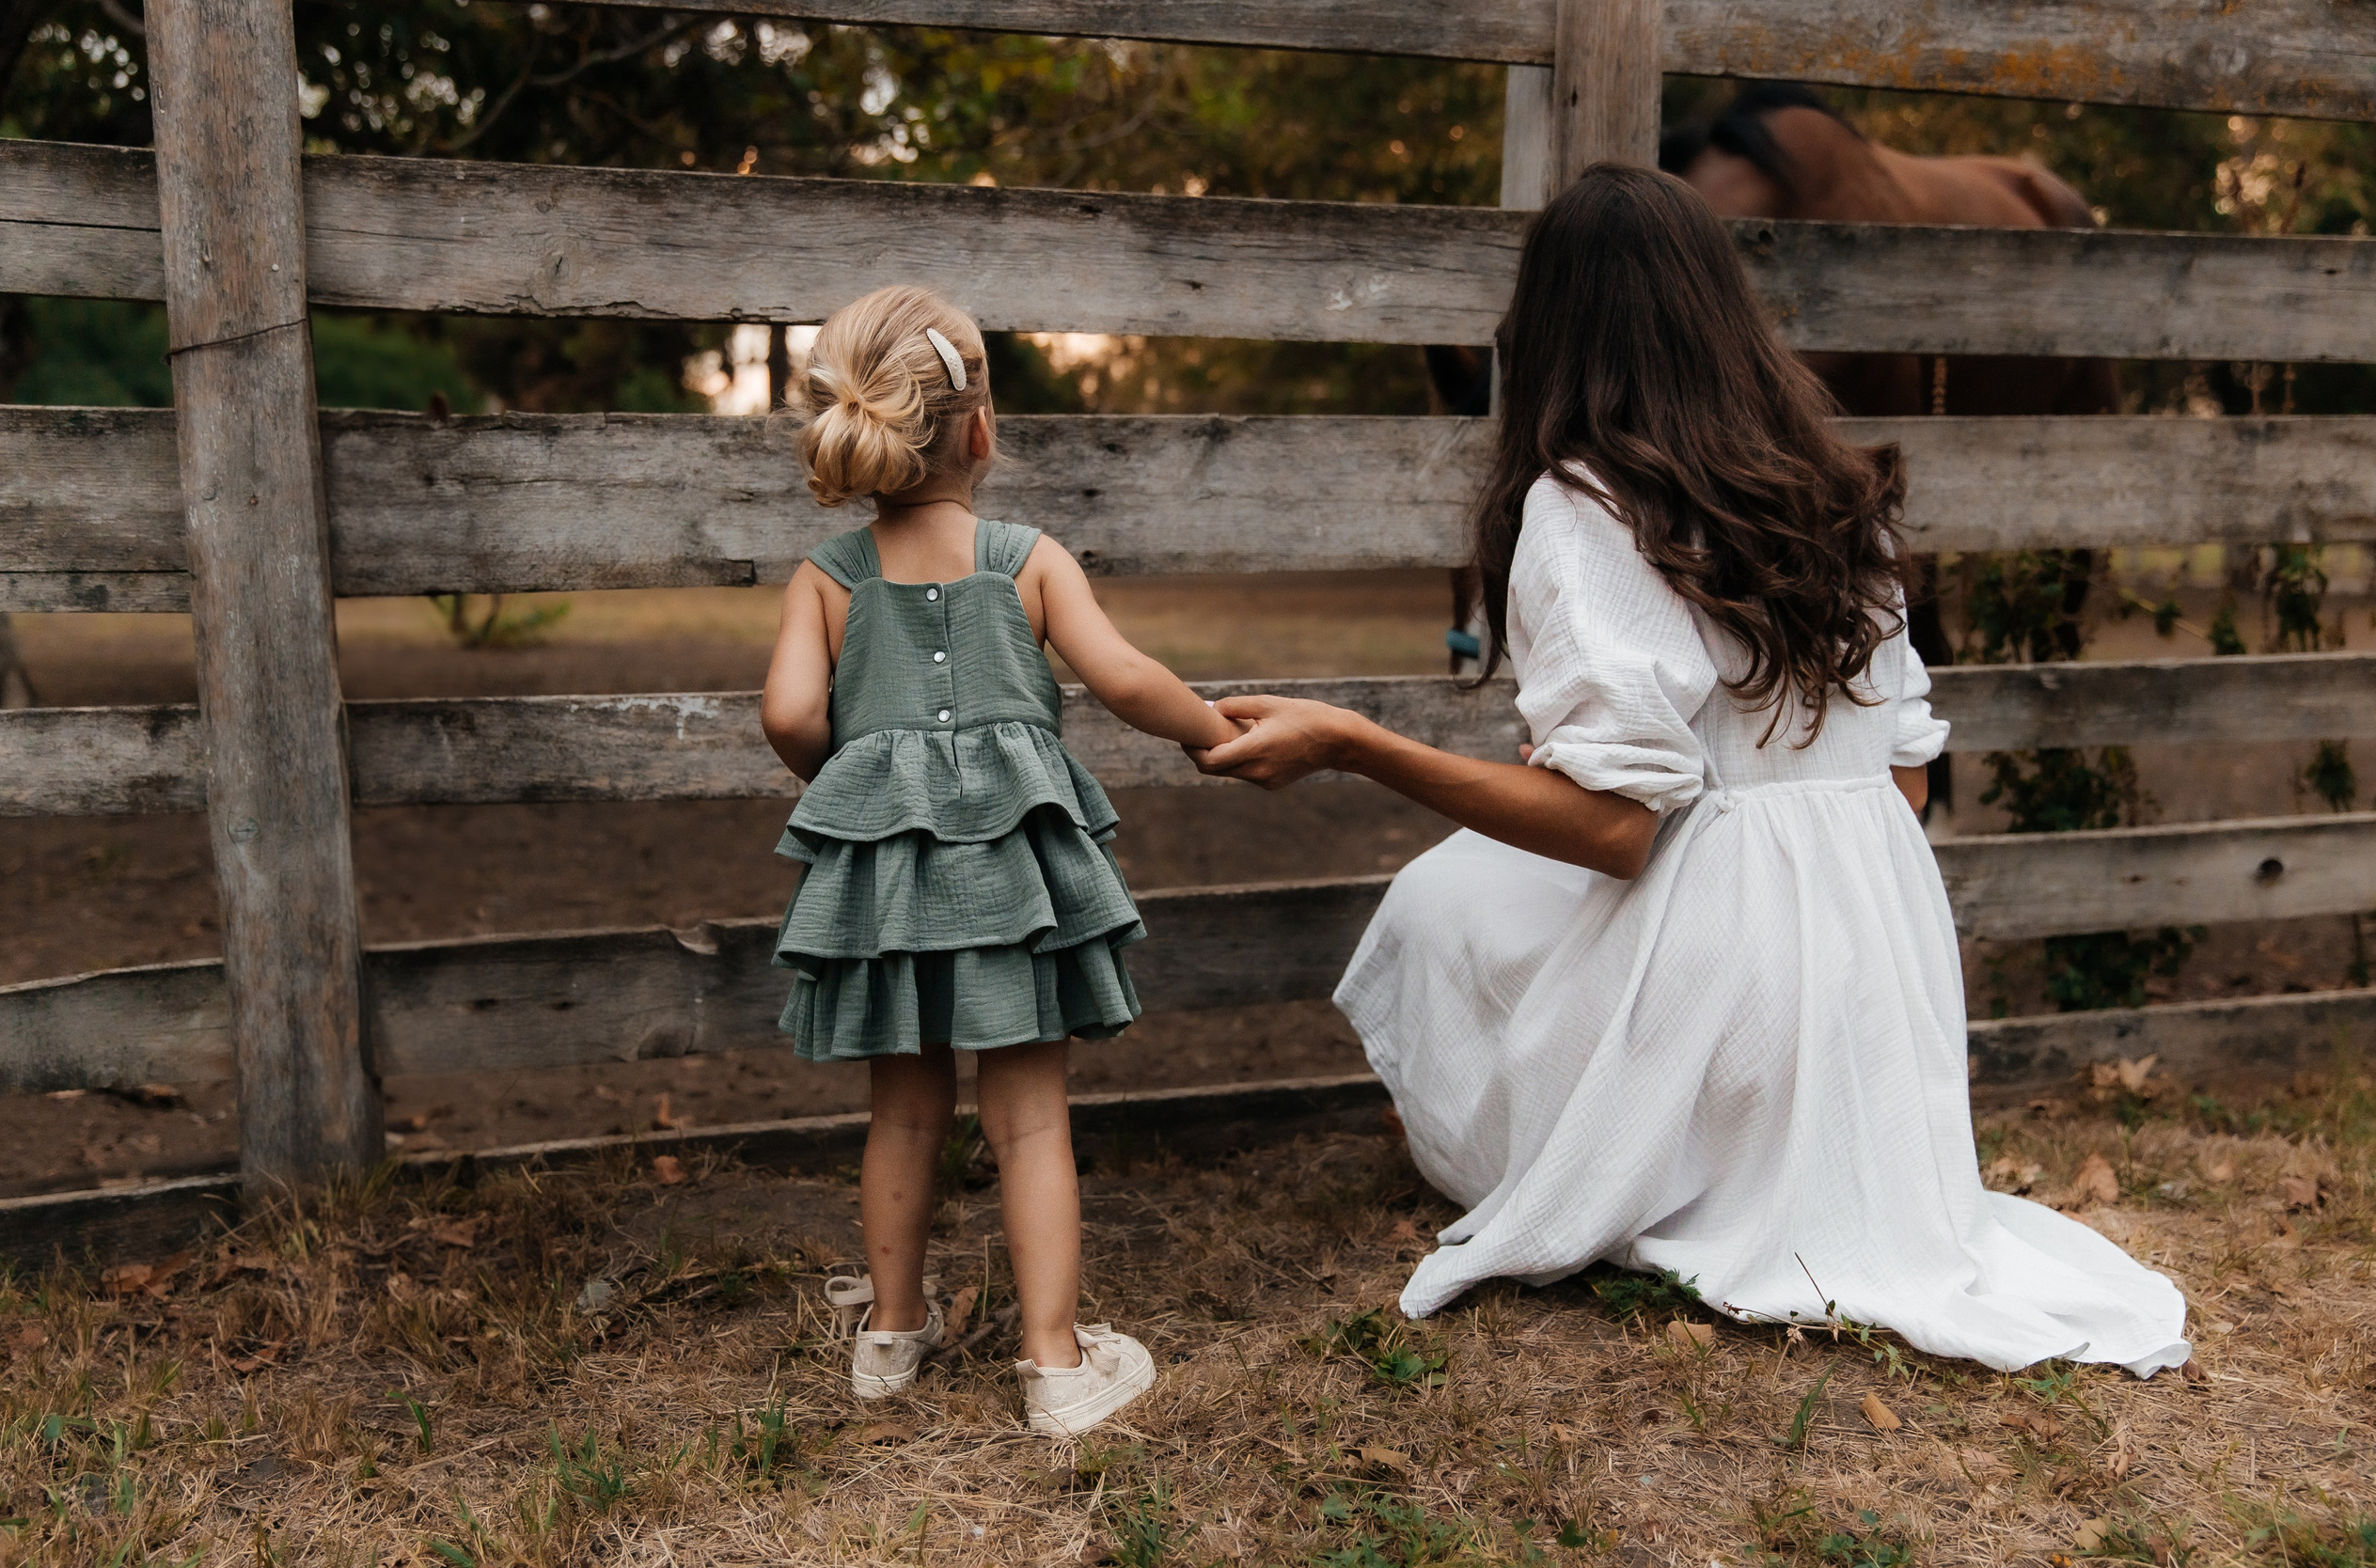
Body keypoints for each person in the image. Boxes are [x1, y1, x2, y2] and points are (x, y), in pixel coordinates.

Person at [1190, 165, 2189, 1375]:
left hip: (1735, 974)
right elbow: (1906, 787)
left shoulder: (1585, 503)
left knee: (1442, 901)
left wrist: (1354, 742)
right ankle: (1746, 1138)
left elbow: (1615, 833)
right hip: (1876, 962)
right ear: (1722, 310)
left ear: (1550, 325)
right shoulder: (1833, 488)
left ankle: (1618, 1149)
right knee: (1508, 882)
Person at [761, 286, 1243, 1432]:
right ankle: (1055, 1364)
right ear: (978, 425)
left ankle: (888, 1337)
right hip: (1014, 885)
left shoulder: (826, 577)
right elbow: (1123, 678)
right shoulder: (1028, 558)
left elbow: (786, 716)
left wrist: (857, 778)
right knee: (1029, 1119)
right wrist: (1213, 732)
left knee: (904, 1113)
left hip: (887, 889)